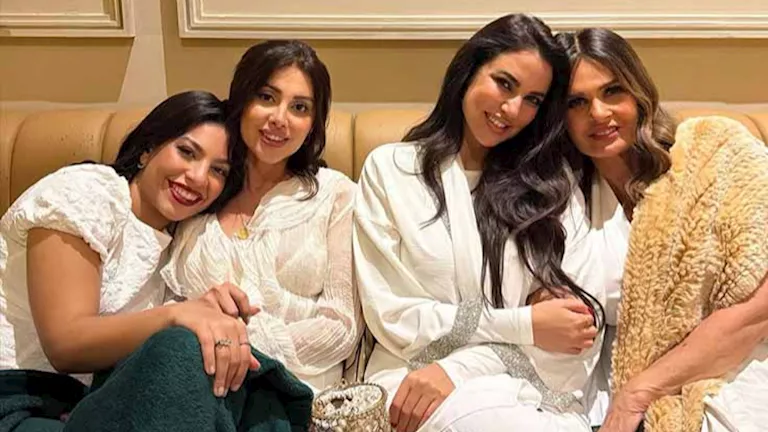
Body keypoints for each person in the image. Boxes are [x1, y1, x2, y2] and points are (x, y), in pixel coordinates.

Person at [354, 14, 616, 432]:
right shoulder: (392, 171)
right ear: (468, 70)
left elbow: (576, 330)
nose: (512, 110)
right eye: (504, 83)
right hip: (415, 383)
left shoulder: (552, 187)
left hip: (530, 391)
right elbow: (393, 316)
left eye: (533, 100)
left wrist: (461, 368)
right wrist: (525, 324)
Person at [0, 91, 310, 431]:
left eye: (218, 170)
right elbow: (65, 344)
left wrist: (210, 312)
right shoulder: (89, 193)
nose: (198, 177)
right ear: (147, 149)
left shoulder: (181, 242)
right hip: (18, 398)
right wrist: (177, 316)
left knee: (242, 374)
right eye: (187, 152)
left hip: (96, 405)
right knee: (182, 347)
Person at [558, 28, 768, 432]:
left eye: (612, 91)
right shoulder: (563, 206)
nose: (598, 113)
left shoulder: (714, 154)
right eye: (576, 102)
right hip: (619, 385)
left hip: (743, 362)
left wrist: (640, 391)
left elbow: (758, 309)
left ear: (638, 92)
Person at [162, 40, 363, 393]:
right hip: (196, 384)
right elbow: (164, 304)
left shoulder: (336, 196)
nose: (279, 119)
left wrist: (239, 344)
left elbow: (341, 327)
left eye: (299, 107)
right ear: (242, 100)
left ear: (313, 124)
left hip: (297, 393)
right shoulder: (198, 189)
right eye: (267, 97)